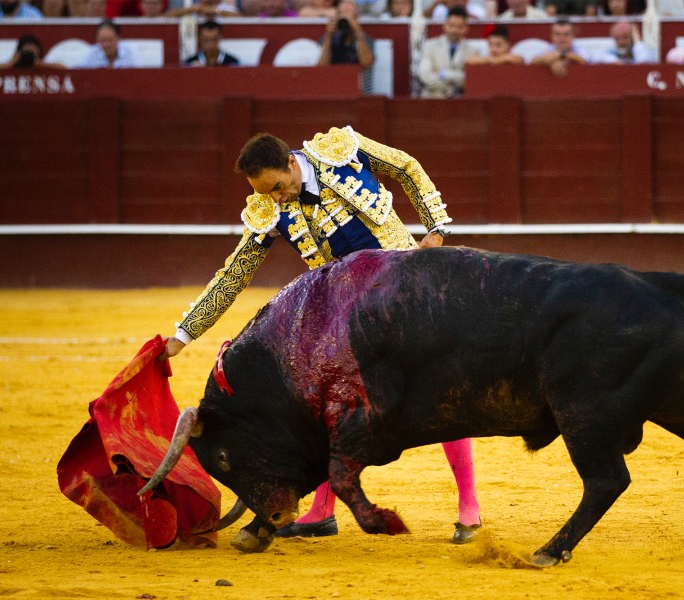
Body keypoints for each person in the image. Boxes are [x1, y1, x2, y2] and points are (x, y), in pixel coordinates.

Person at [159, 127, 482, 545]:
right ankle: (321, 512)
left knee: (439, 391)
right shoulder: (268, 207)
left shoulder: (340, 151)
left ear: (291, 162)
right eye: (265, 193)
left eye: (278, 187)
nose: (276, 198)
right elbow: (234, 273)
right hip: (346, 316)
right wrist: (184, 334)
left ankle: (469, 509)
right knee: (328, 403)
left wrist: (436, 228)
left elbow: (406, 166)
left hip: (405, 293)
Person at [419, 6, 481, 97]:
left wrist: (444, 74)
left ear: (466, 28)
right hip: (433, 97)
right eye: (451, 25)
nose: (454, 30)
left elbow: (471, 79)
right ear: (444, 26)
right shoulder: (430, 46)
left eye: (459, 27)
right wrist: (450, 89)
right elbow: (425, 75)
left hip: (460, 100)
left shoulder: (473, 51)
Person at [318, 0, 375, 94]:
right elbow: (321, 68)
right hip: (333, 90)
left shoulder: (366, 39)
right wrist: (328, 39)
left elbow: (366, 63)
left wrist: (357, 32)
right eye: (342, 15)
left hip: (359, 92)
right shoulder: (328, 38)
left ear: (356, 18)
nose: (345, 20)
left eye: (348, 15)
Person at [0, 33, 64, 68]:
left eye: (33, 49)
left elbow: (61, 67)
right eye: (27, 49)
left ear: (39, 51)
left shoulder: (43, 64)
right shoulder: (13, 63)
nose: (29, 52)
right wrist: (11, 64)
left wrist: (39, 64)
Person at [166, 0, 240, 17]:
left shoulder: (225, 7)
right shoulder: (192, 7)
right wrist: (188, 10)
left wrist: (215, 11)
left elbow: (241, 19)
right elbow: (168, 16)